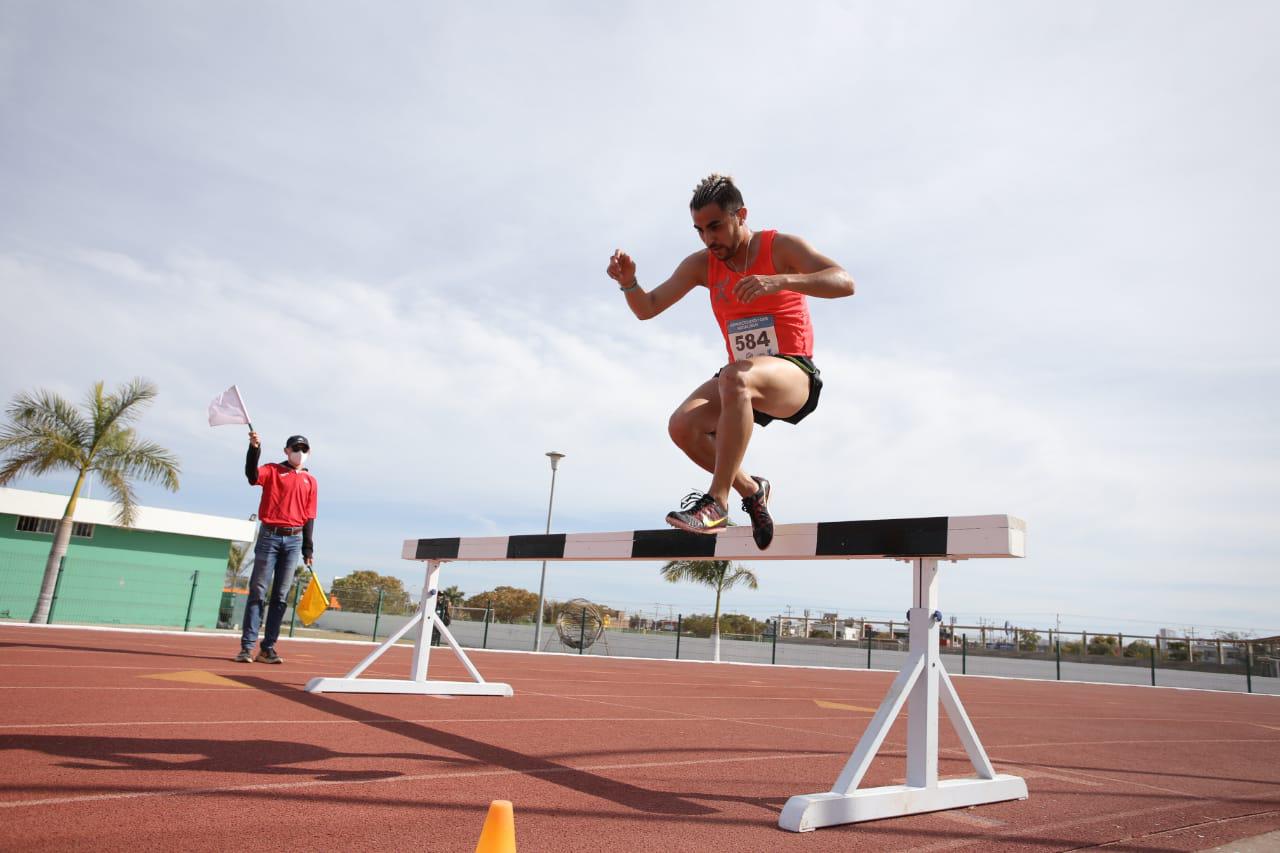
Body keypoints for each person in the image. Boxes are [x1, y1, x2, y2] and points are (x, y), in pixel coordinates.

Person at [606, 174, 854, 549]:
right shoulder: (701, 265)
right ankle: (752, 491)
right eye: (700, 230)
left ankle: (716, 503)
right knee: (682, 426)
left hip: (793, 374)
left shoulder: (780, 245)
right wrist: (629, 283)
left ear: (741, 215)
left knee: (735, 377)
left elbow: (844, 281)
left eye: (716, 227)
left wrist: (781, 281)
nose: (709, 239)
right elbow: (648, 308)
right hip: (740, 380)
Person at [235, 432, 318, 663]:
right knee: (258, 590)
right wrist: (254, 449)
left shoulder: (311, 481)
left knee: (281, 596)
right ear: (286, 451)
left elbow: (309, 517)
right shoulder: (272, 470)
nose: (299, 453)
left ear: (308, 452)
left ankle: (268, 647)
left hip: (295, 540)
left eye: (303, 449)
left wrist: (308, 550)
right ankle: (247, 647)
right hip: (269, 536)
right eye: (295, 448)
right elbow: (252, 476)